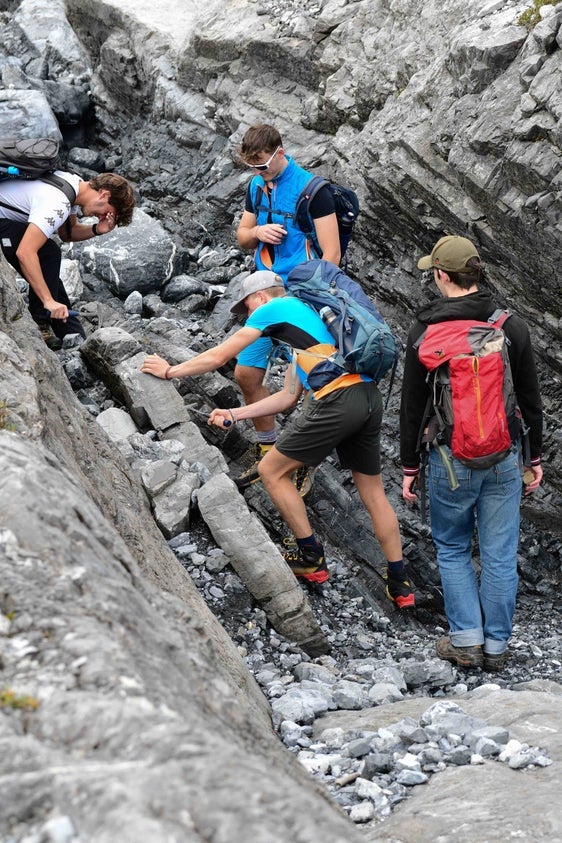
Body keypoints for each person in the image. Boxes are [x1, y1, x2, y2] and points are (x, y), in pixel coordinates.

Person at [141, 268, 414, 605]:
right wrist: (234, 414)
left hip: (338, 399)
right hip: (368, 399)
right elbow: (287, 397)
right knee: (373, 494)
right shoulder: (308, 331)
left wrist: (170, 371)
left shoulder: (274, 307)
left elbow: (219, 356)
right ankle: (400, 586)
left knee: (271, 471)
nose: (249, 318)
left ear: (260, 297)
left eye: (248, 310)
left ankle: (310, 558)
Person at [400, 235, 543, 671]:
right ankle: (496, 647)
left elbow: (410, 407)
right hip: (503, 457)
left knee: (453, 548)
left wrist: (409, 466)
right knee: (500, 553)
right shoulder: (509, 325)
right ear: (476, 273)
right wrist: (533, 460)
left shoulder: (425, 331)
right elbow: (531, 400)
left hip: (449, 460)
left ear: (441, 274)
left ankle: (466, 641)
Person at [234, 124, 341, 490]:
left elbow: (332, 255)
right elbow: (242, 235)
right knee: (246, 374)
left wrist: (317, 302)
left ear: (280, 151)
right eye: (252, 167)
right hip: (265, 293)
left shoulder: (314, 193)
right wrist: (257, 233)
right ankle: (267, 447)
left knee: (311, 384)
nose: (257, 173)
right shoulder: (255, 186)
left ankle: (301, 460)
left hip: (302, 295)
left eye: (262, 165)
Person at [0, 171, 135, 348]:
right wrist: (48, 301)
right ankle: (41, 320)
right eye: (107, 213)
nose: (100, 217)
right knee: (49, 253)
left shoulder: (72, 183)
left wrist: (97, 229)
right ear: (104, 194)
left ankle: (73, 336)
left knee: (49, 271)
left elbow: (67, 233)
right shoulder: (58, 203)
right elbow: (25, 252)